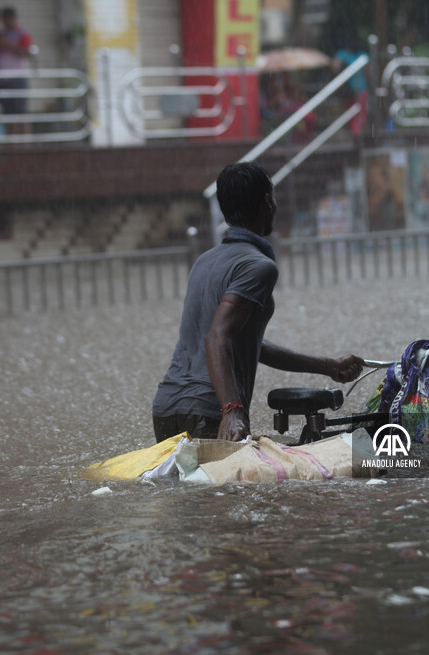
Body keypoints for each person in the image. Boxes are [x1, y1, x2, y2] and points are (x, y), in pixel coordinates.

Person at [152, 162, 364, 442]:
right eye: (273, 196)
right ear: (267, 203)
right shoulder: (258, 266)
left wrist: (328, 366)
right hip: (209, 410)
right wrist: (232, 409)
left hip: (167, 407)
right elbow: (217, 336)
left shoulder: (203, 262)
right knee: (226, 488)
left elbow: (247, 343)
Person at [0, 7, 34, 135]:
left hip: (18, 77)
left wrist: (9, 45)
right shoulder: (1, 34)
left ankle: (25, 142)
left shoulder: (22, 33)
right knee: (8, 112)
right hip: (4, 79)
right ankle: (11, 141)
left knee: (20, 112)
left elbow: (27, 52)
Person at [331, 38, 369, 137]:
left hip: (354, 91)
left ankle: (356, 135)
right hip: (355, 90)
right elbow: (370, 71)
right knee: (359, 115)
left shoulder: (345, 54)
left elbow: (334, 67)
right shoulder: (359, 55)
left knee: (354, 116)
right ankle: (357, 135)